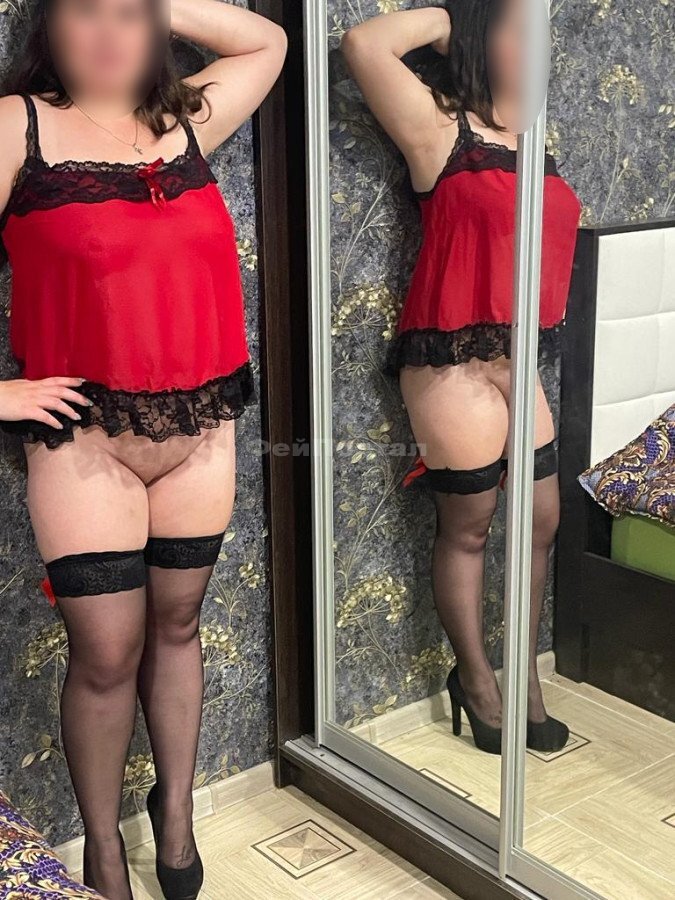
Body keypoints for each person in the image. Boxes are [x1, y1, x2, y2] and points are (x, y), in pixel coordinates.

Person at [0, 0, 286, 897]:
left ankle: (175, 816)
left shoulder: (187, 118)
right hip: (84, 441)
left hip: (202, 429)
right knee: (105, 656)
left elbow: (267, 40)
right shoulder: (17, 125)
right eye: (85, 10)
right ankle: (102, 849)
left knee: (179, 626)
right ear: (48, 25)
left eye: (131, 13)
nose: (109, 33)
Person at [342, 2, 581, 755]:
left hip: (519, 358)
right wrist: (456, 24)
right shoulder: (439, 129)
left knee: (541, 522)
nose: (534, 46)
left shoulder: (533, 133)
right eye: (516, 28)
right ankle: (476, 682)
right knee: (470, 527)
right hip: (453, 362)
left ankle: (525, 677)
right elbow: (365, 43)